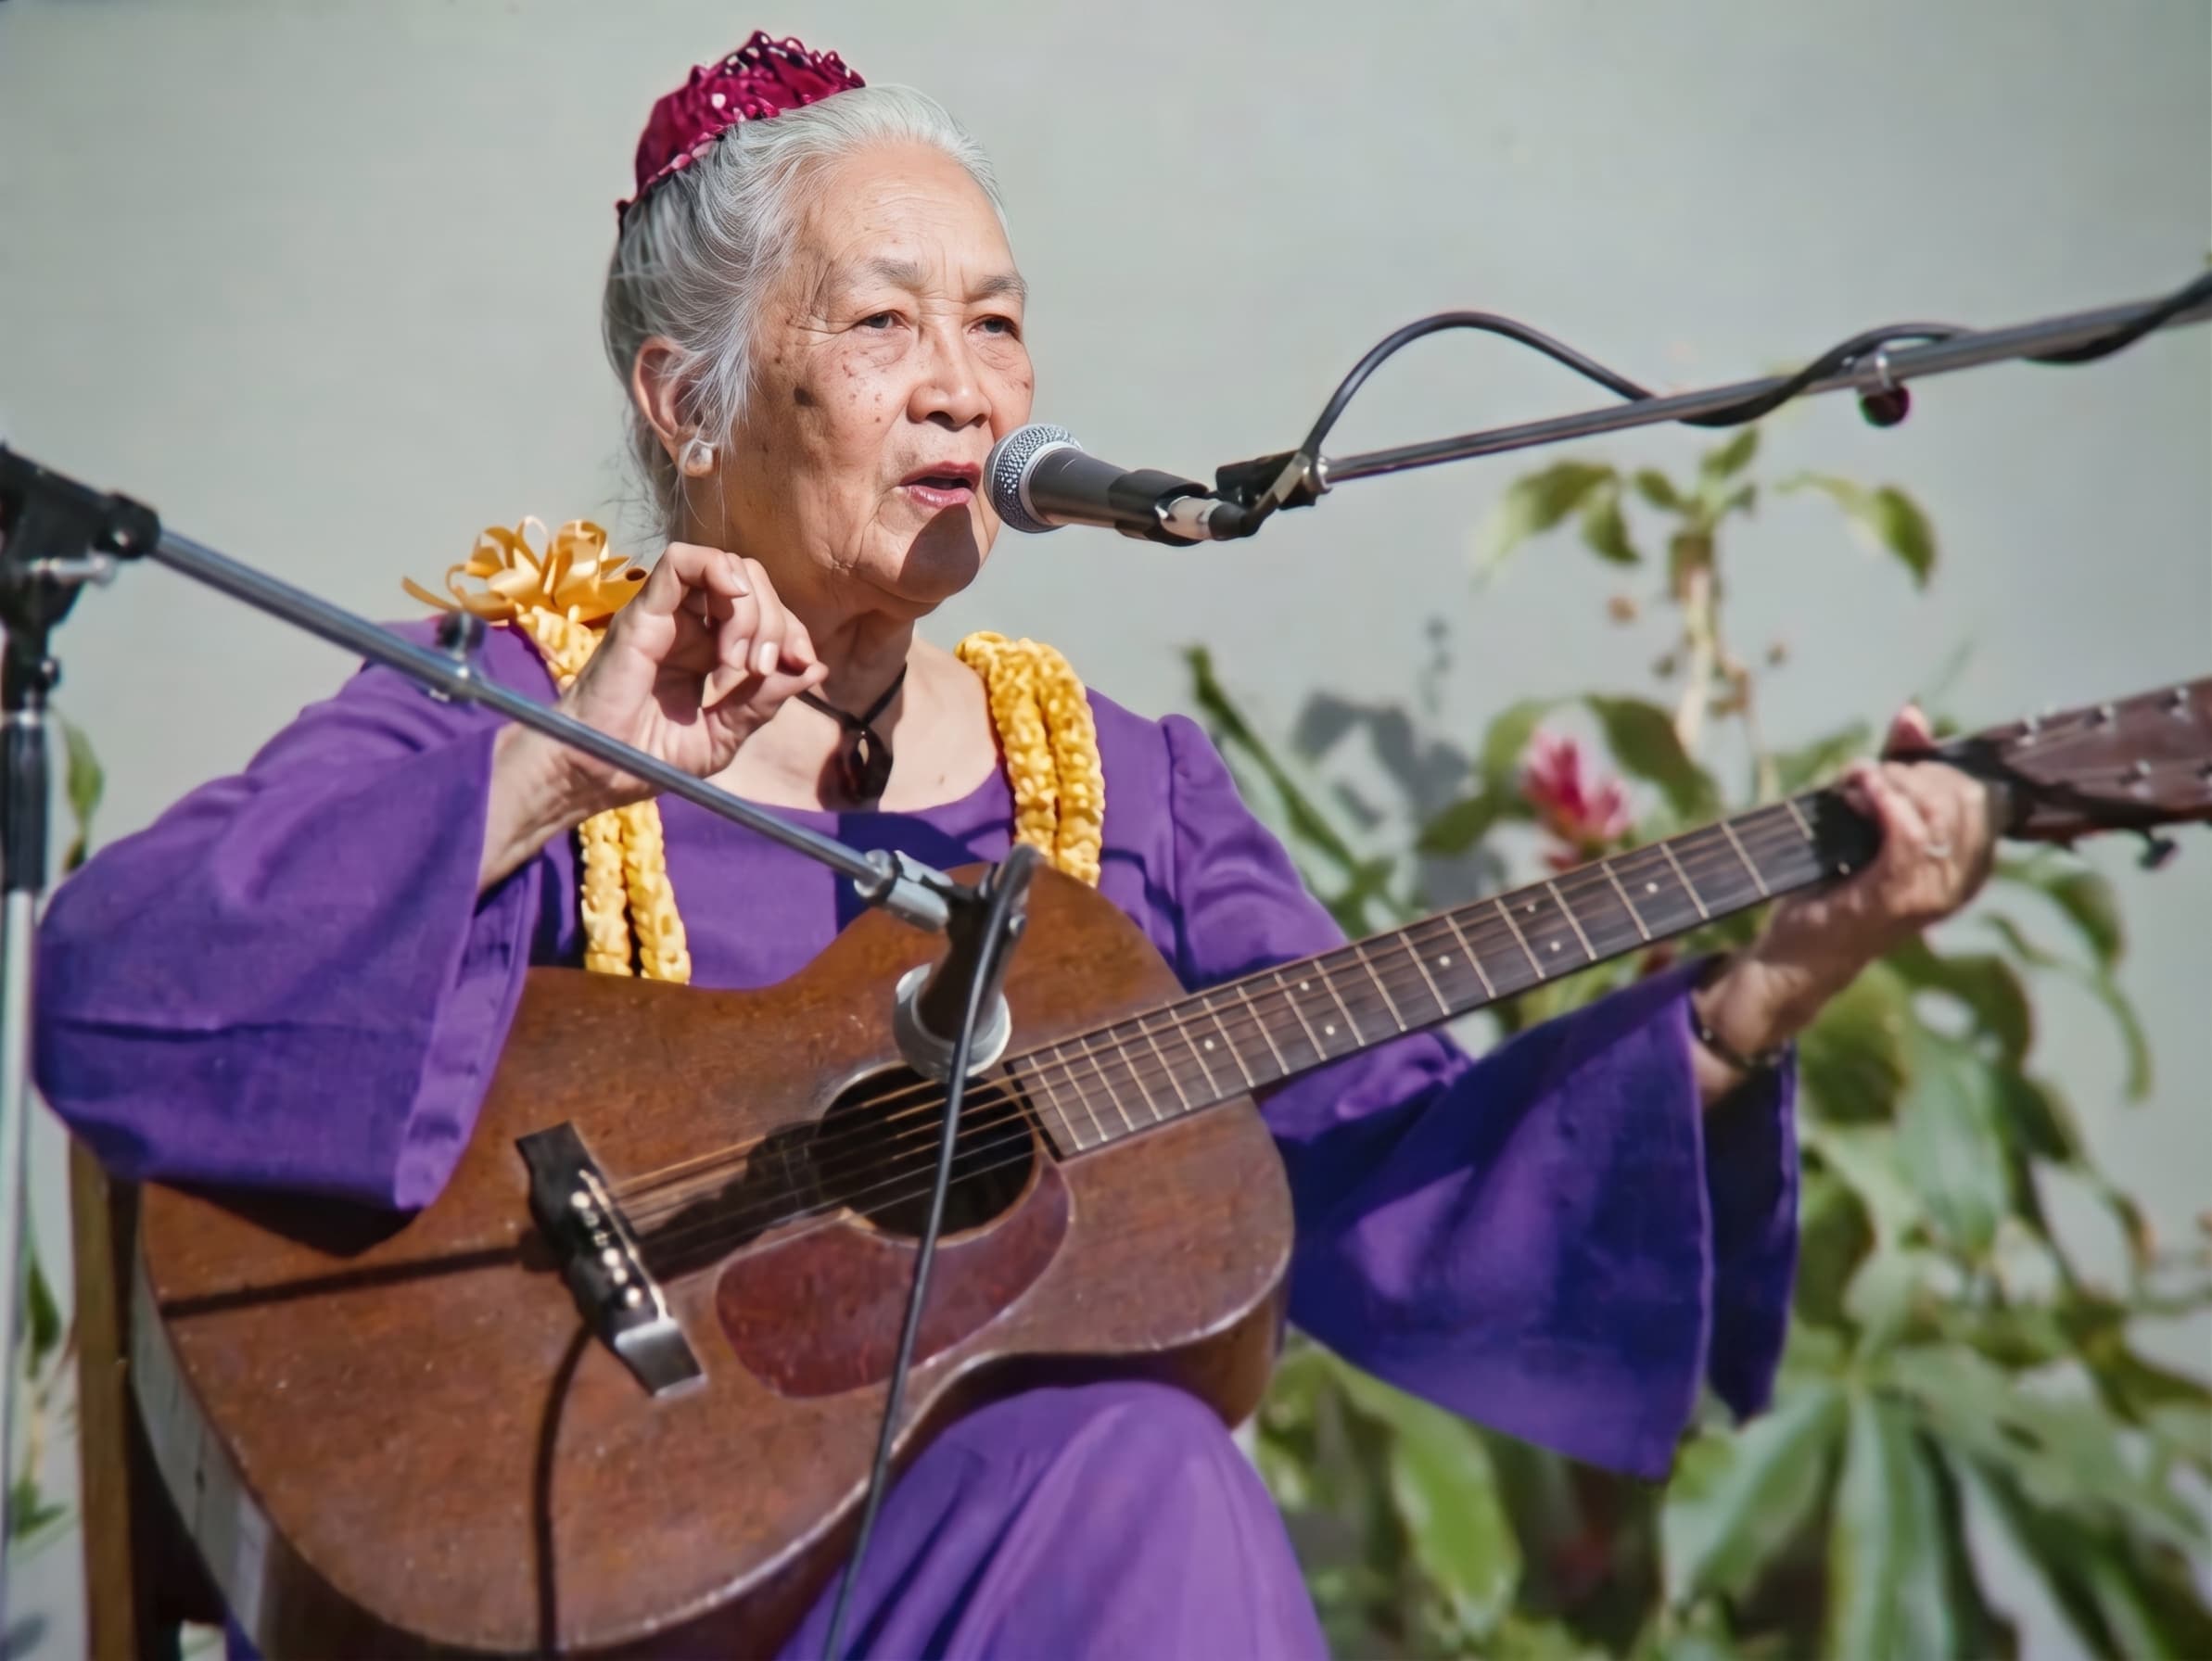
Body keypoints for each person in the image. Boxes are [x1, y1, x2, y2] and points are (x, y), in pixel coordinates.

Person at [35, 32, 1996, 1660]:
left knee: (1137, 1477)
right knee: (1144, 1489)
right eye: (884, 322)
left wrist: (1751, 991)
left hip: (1012, 1582)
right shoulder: (535, 679)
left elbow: (1385, 1159)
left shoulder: (1116, 786)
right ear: (687, 395)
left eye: (995, 321)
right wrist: (555, 775)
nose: (966, 384)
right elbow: (122, 985)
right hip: (598, 1571)